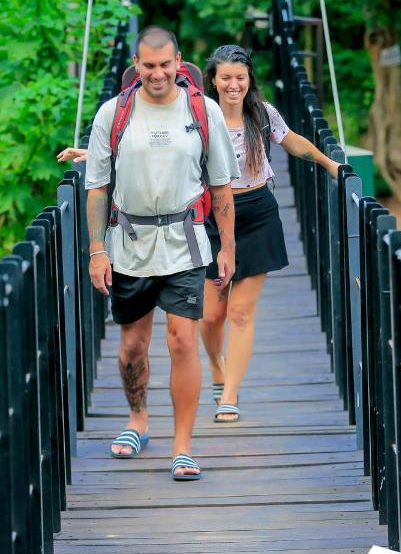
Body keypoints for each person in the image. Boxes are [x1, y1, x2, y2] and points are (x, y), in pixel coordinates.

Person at [83, 26, 240, 480]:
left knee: (181, 340)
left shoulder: (202, 111)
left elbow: (221, 185)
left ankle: (183, 446)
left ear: (178, 62)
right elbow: (96, 188)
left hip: (185, 241)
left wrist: (227, 246)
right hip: (128, 243)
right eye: (148, 66)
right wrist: (97, 250)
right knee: (133, 344)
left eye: (165, 65)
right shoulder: (113, 114)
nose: (157, 73)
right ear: (136, 65)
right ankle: (138, 420)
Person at [200, 44, 340, 423]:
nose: (233, 85)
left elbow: (291, 140)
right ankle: (217, 369)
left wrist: (330, 164)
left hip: (257, 213)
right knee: (211, 316)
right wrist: (99, 154)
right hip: (212, 218)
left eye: (240, 78)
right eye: (225, 77)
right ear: (213, 79)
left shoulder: (261, 113)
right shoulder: (198, 117)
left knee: (240, 312)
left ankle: (229, 394)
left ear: (249, 80)